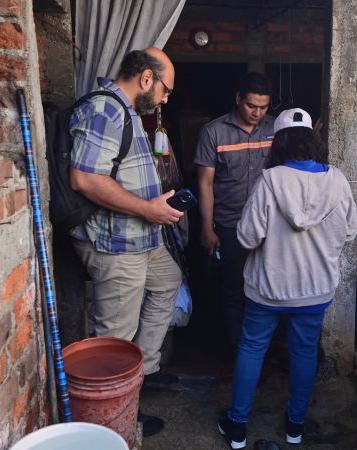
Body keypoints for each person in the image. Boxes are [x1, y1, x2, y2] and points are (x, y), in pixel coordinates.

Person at [217, 109, 357, 449]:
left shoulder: (269, 180)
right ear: (312, 140)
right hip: (314, 290)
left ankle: (237, 427)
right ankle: (295, 427)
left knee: (252, 347)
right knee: (305, 351)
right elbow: (350, 231)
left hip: (267, 289)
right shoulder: (336, 179)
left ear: (277, 143)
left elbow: (248, 238)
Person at [68, 48, 182, 436]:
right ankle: (116, 426)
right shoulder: (105, 110)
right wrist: (148, 210)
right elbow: (85, 179)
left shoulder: (126, 110)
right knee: (113, 340)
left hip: (142, 239)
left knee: (167, 282)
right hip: (116, 245)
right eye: (166, 90)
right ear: (147, 78)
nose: (166, 99)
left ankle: (144, 372)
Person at [194, 73, 275, 349]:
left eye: (264, 107)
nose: (258, 113)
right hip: (231, 225)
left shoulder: (275, 130)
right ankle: (237, 350)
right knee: (235, 289)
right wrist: (207, 227)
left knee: (268, 287)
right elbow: (204, 183)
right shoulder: (213, 132)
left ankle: (264, 348)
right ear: (238, 99)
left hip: (269, 226)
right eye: (252, 105)